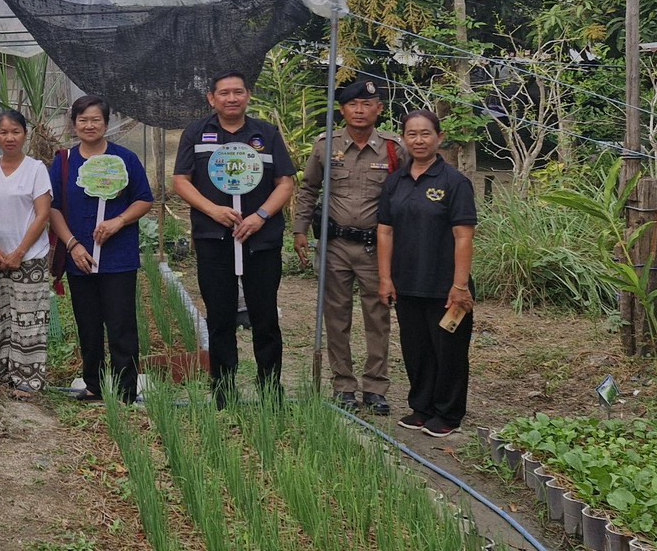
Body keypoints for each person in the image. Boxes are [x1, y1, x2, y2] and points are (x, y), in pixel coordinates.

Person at [172, 70, 297, 406]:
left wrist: (261, 216)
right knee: (220, 317)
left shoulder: (266, 135)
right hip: (215, 239)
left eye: (237, 92)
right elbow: (181, 181)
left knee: (265, 317)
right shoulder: (197, 133)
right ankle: (224, 392)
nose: (231, 98)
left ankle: (271, 391)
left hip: (261, 240)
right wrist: (213, 210)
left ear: (248, 96)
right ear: (212, 99)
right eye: (223, 93)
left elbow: (285, 182)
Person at [292, 76, 402, 415]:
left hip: (376, 248)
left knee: (377, 316)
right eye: (352, 104)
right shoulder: (326, 146)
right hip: (335, 244)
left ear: (379, 109)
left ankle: (375, 388)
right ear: (342, 110)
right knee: (336, 317)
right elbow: (309, 189)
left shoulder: (395, 149)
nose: (359, 110)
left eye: (367, 104)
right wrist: (299, 230)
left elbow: (408, 194)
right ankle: (343, 386)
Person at [378, 109, 477, 438]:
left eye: (425, 134)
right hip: (407, 282)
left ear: (439, 138)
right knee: (416, 349)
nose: (418, 140)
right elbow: (385, 231)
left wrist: (460, 285)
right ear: (403, 139)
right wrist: (385, 278)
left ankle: (448, 413)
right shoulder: (395, 181)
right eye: (412, 134)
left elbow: (464, 236)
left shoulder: (455, 182)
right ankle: (422, 407)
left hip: (446, 285)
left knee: (448, 351)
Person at [48, 97, 154, 403]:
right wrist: (73, 244)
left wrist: (117, 222)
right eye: (83, 120)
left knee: (121, 324)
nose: (89, 125)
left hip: (117, 257)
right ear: (74, 123)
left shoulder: (125, 159)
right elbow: (53, 208)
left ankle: (125, 390)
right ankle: (94, 384)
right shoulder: (65, 161)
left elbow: (144, 199)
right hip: (78, 257)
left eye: (96, 120)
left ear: (106, 124)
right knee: (88, 324)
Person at [0, 110, 55, 396]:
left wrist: (20, 252)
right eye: (4, 132)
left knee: (29, 319)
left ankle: (29, 381)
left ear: (25, 134)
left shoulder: (36, 169)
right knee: (3, 317)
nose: (10, 137)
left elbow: (43, 214)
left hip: (29, 257)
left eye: (15, 131)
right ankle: (5, 374)